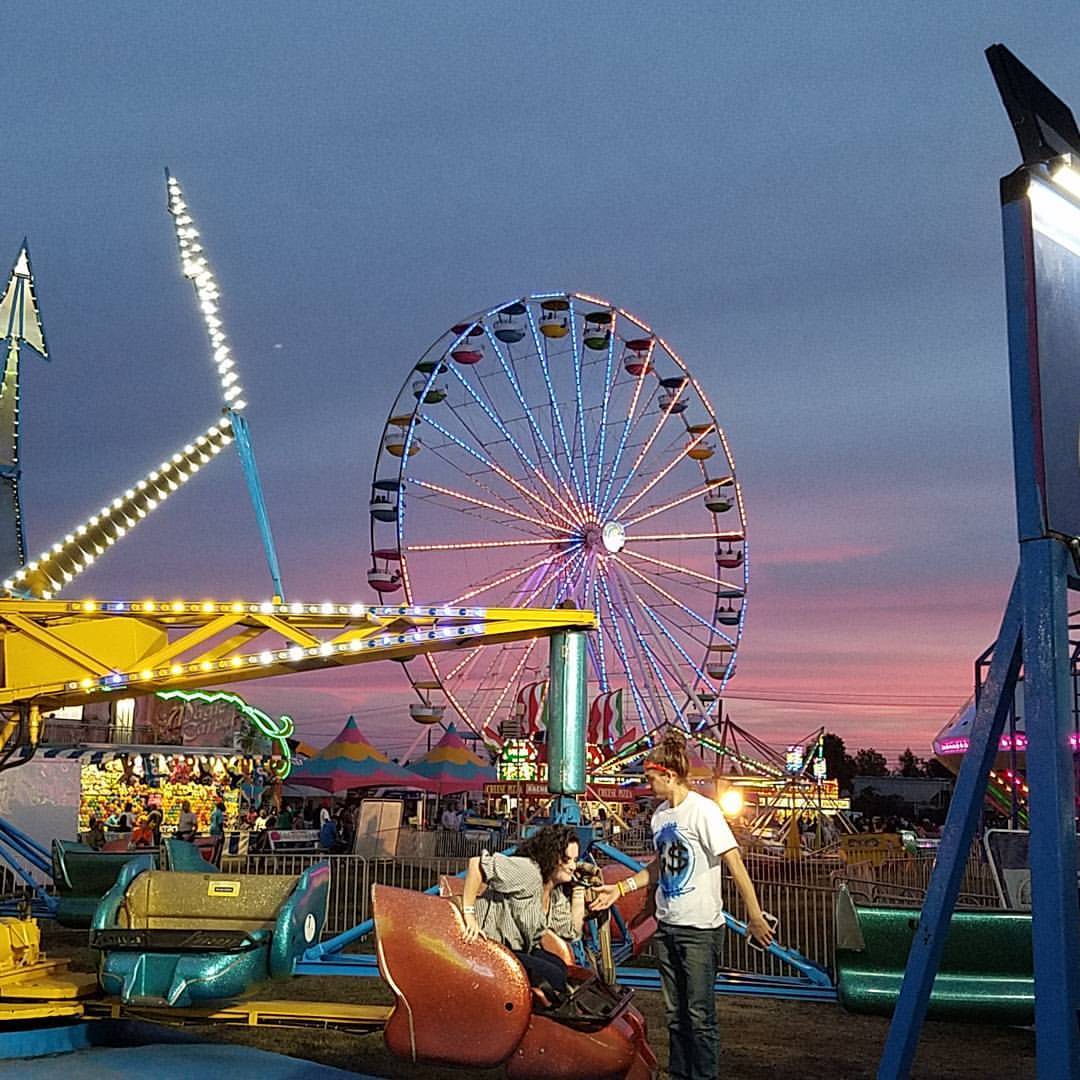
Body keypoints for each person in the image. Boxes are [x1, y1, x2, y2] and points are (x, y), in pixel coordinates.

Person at [590, 730, 774, 1080]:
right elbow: (660, 866)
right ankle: (679, 1073)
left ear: (670, 776)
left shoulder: (703, 811)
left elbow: (734, 861)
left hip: (700, 930)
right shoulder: (660, 816)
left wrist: (754, 915)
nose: (648, 785)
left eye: (651, 778)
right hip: (668, 925)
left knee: (700, 1015)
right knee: (675, 1014)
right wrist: (621, 889)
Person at [461, 824, 582, 1005]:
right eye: (566, 860)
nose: (573, 866)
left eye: (575, 860)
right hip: (488, 946)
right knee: (552, 976)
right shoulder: (528, 872)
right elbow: (477, 864)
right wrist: (468, 913)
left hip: (517, 950)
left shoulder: (555, 893)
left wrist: (579, 892)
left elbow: (571, 932)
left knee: (561, 968)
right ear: (551, 855)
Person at [209, 798, 226, 865]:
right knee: (219, 848)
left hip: (212, 830)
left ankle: (212, 861)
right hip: (218, 831)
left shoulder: (213, 813)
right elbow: (220, 823)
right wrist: (222, 833)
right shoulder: (220, 814)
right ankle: (217, 863)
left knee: (213, 847)